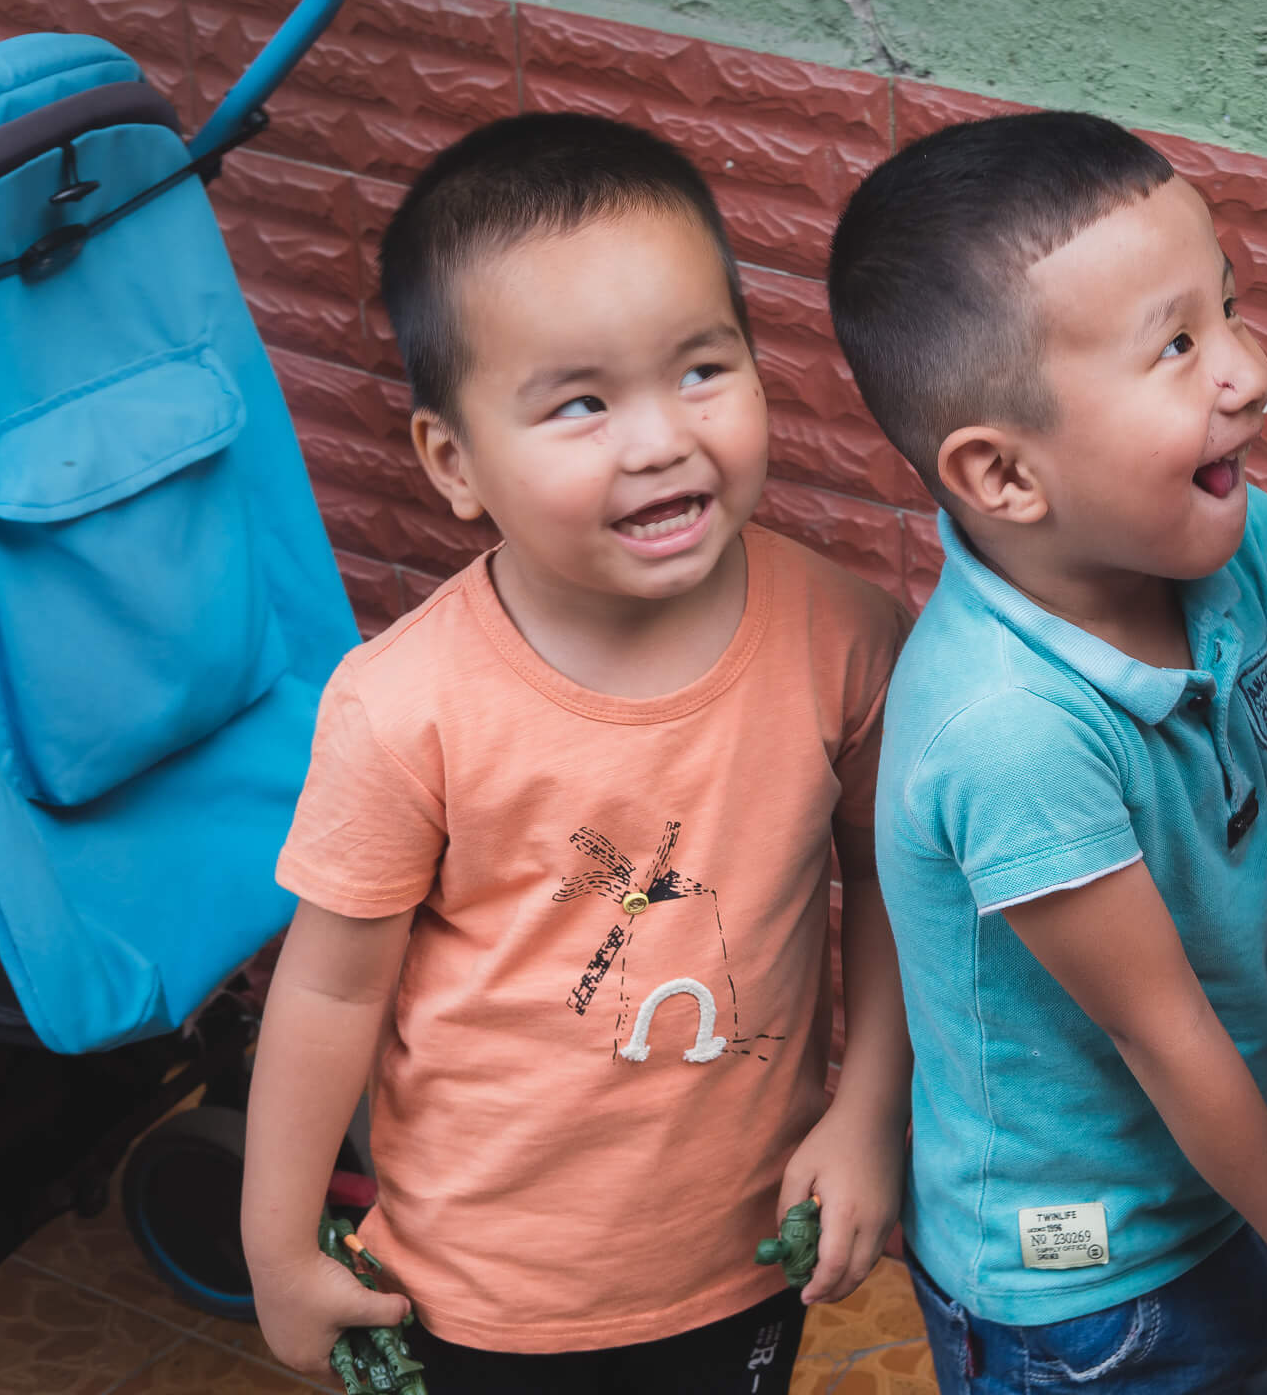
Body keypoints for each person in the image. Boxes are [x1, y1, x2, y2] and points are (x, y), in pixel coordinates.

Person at [240, 113, 911, 1393]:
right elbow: (327, 994)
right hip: (478, 1293)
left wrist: (868, 1109)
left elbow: (893, 880)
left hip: (742, 1256)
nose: (658, 438)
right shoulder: (407, 707)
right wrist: (277, 1244)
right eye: (583, 402)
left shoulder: (843, 636)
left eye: (701, 370)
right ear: (454, 460)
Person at [826, 110, 1267, 1393]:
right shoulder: (1008, 728)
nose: (1246, 370)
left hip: (1248, 1166)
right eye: (1177, 346)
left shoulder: (1244, 549)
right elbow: (1164, 1034)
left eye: (1231, 309)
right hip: (1080, 1294)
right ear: (1004, 475)